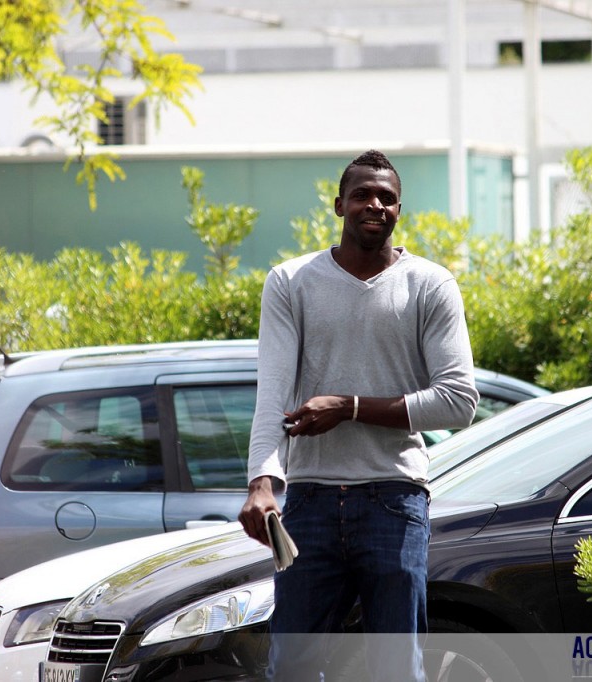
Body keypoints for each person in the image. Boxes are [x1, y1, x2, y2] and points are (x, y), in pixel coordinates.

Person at [239, 149, 479, 682]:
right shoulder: (291, 281)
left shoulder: (430, 285)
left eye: (386, 198)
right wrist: (262, 483)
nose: (375, 204)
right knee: (292, 668)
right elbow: (273, 394)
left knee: (396, 669)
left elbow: (460, 400)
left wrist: (348, 408)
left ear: (400, 209)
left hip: (394, 501)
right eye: (362, 195)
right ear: (338, 205)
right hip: (311, 504)